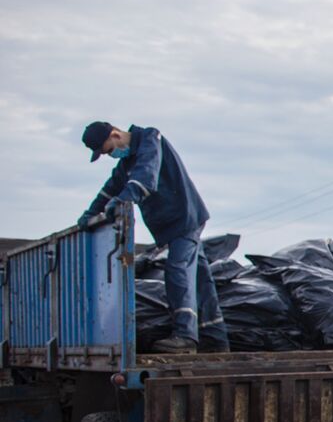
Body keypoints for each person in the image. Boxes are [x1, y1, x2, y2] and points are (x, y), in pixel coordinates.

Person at [79, 122, 228, 354]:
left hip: (185, 218)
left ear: (115, 135)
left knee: (177, 270)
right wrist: (91, 213)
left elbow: (146, 177)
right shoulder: (126, 164)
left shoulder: (150, 138)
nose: (111, 156)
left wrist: (122, 200)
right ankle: (217, 342)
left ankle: (185, 337)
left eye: (108, 150)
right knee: (200, 280)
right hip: (171, 225)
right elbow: (110, 189)